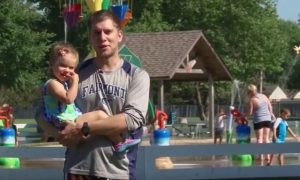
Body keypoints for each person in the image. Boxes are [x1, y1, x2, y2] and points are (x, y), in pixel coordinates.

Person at [37, 10, 150, 180]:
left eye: (108, 32)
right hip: (77, 168)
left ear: (119, 35)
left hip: (117, 170)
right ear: (91, 38)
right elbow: (41, 112)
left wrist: (83, 128)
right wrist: (60, 135)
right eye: (96, 33)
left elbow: (132, 118)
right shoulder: (75, 74)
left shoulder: (136, 75)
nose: (102, 37)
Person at [42, 41, 141, 153]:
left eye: (71, 68)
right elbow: (68, 99)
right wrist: (75, 81)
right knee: (100, 115)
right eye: (62, 65)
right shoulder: (52, 83)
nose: (67, 70)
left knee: (100, 117)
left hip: (68, 118)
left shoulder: (62, 83)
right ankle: (119, 141)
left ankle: (117, 141)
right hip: (64, 121)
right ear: (52, 64)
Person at [245, 84, 276, 163]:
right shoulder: (264, 96)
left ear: (250, 92)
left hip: (258, 120)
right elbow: (270, 106)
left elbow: (250, 112)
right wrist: (271, 114)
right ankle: (268, 156)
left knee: (259, 139)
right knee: (266, 138)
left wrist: (245, 117)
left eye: (248, 92)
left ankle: (261, 157)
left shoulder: (252, 100)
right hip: (267, 119)